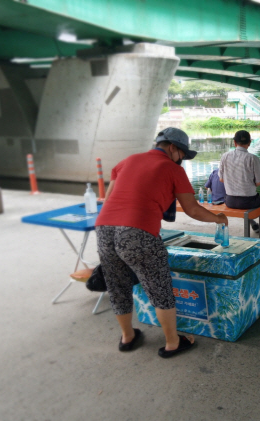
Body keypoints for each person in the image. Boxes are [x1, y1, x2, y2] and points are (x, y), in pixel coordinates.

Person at [95, 127, 228, 357]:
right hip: (137, 232)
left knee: (117, 285)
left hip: (104, 228)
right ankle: (172, 342)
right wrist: (218, 218)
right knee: (159, 286)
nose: (183, 161)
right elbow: (193, 210)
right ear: (173, 148)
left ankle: (127, 337)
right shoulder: (171, 169)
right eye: (183, 155)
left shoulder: (126, 161)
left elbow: (109, 200)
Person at [219, 130, 260, 236]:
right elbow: (258, 183)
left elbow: (221, 179)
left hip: (229, 201)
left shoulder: (224, 156)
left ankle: (253, 224)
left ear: (234, 142)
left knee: (244, 206)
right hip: (248, 201)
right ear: (249, 143)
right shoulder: (253, 158)